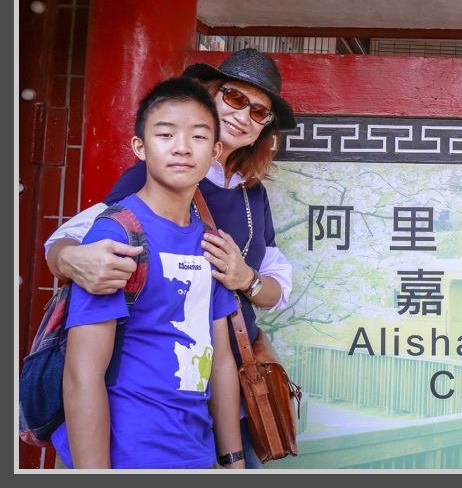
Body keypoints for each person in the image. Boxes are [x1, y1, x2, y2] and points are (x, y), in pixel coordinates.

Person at [44, 48, 298, 468]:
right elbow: (71, 242)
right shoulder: (153, 177)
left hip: (225, 389)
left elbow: (276, 287)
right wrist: (75, 260)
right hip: (140, 405)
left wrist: (245, 278)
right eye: (234, 98)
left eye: (258, 112)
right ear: (209, 95)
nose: (243, 116)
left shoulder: (253, 194)